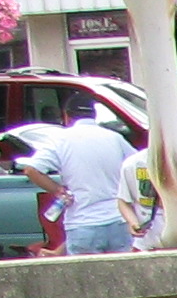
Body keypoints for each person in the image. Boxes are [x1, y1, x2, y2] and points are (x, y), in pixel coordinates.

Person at [29, 105, 134, 253]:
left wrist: (58, 190)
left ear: (67, 116)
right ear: (94, 115)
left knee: (85, 275)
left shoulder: (60, 140)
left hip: (82, 223)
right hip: (119, 221)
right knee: (124, 274)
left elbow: (32, 169)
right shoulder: (114, 138)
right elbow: (136, 165)